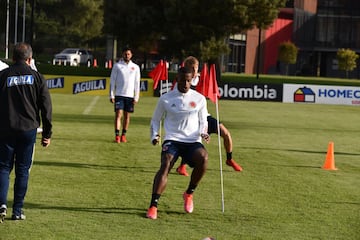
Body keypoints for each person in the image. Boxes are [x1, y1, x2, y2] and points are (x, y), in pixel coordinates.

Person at [146, 67, 210, 220]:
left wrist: (204, 131)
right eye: (183, 80)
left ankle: (189, 193)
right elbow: (155, 120)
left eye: (189, 81)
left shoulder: (199, 98)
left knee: (204, 158)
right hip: (173, 140)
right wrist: (155, 135)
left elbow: (204, 120)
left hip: (192, 141)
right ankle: (153, 206)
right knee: (166, 164)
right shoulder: (166, 98)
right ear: (177, 80)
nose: (186, 84)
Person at [0, 42, 52, 222]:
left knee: (4, 168)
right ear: (29, 59)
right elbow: (46, 107)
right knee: (22, 170)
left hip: (5, 129)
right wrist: (47, 133)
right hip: (28, 130)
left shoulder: (2, 76)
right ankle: (18, 210)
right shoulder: (37, 77)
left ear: (13, 58)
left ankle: (1, 205)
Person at [176, 56, 242, 176]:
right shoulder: (185, 82)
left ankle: (229, 159)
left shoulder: (203, 78)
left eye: (196, 68)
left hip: (205, 115)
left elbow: (211, 88)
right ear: (188, 68)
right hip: (193, 118)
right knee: (193, 142)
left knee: (226, 134)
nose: (196, 70)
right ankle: (182, 166)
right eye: (194, 68)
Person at [109, 47, 141, 143]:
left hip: (130, 96)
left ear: (131, 55)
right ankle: (117, 135)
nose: (127, 55)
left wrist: (136, 96)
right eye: (125, 54)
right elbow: (112, 81)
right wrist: (111, 94)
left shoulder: (135, 67)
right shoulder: (117, 66)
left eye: (128, 54)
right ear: (122, 54)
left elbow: (137, 83)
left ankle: (124, 135)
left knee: (127, 116)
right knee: (118, 114)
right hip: (119, 94)